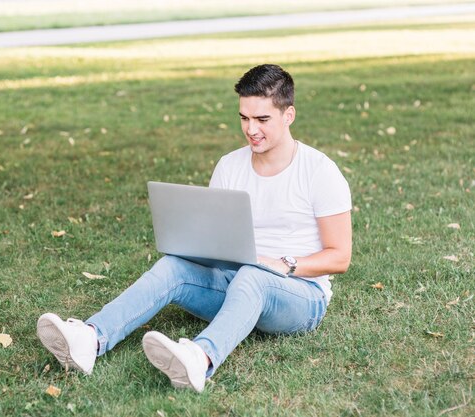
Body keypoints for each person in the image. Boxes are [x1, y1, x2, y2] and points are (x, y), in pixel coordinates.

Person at [37, 64, 352, 393]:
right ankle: (89, 338)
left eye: (262, 120)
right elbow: (217, 241)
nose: (251, 129)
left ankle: (198, 359)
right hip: (236, 284)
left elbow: (339, 257)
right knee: (174, 266)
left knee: (254, 275)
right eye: (244, 118)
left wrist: (283, 264)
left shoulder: (319, 171)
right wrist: (193, 248)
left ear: (288, 115)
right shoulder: (230, 165)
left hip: (300, 297)